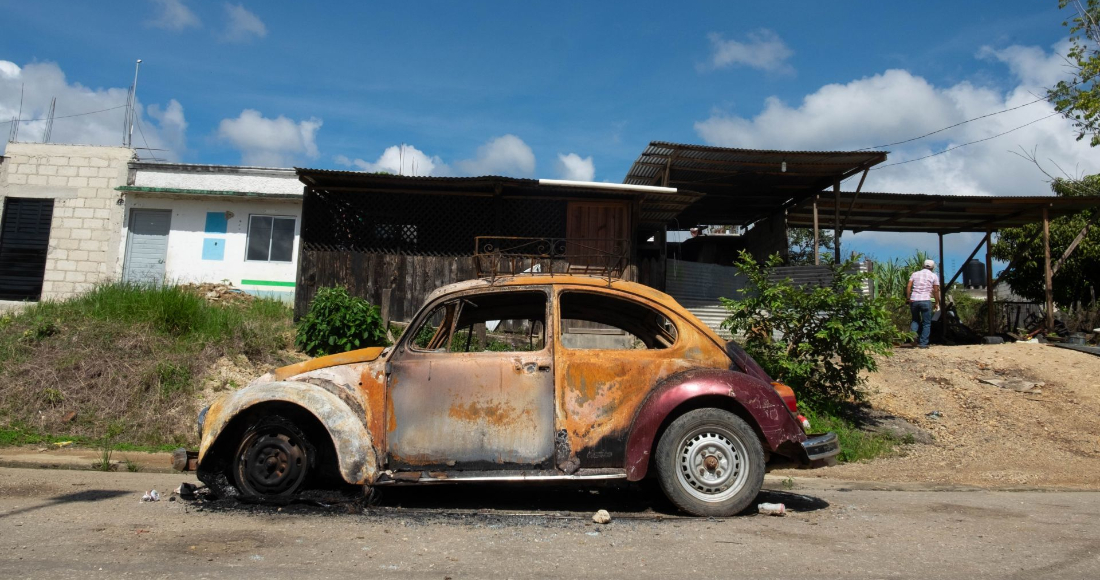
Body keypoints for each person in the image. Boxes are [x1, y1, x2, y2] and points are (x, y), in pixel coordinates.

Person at [906, 259, 941, 348]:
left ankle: (913, 336)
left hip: (914, 300)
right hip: (925, 300)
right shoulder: (934, 276)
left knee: (915, 320)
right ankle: (923, 343)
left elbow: (909, 286)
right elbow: (936, 290)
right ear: (932, 267)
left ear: (923, 266)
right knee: (926, 323)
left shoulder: (915, 274)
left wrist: (908, 298)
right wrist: (937, 302)